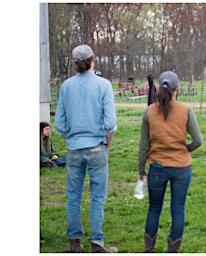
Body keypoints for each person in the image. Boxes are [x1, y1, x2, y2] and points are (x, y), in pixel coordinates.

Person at [55, 44, 118, 253]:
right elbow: (110, 123)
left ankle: (74, 243)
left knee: (73, 196)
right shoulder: (104, 85)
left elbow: (60, 125)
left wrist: (70, 138)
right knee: (97, 196)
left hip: (74, 149)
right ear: (94, 59)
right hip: (97, 147)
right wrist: (107, 143)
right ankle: (97, 243)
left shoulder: (66, 87)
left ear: (75, 64)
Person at [138, 71, 203, 253]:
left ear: (159, 88)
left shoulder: (149, 111)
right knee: (178, 210)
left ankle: (149, 248)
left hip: (157, 167)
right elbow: (198, 140)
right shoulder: (185, 110)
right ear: (177, 89)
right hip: (182, 167)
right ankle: (172, 250)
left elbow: (143, 145)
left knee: (154, 209)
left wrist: (141, 170)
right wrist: (185, 149)